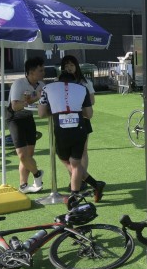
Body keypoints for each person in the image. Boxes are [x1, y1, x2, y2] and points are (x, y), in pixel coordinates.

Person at [38, 63, 93, 194]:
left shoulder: (47, 88)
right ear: (73, 80)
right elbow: (89, 114)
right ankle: (77, 194)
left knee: (67, 161)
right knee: (76, 163)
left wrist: (56, 110)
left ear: (58, 80)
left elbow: (41, 114)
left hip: (61, 131)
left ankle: (86, 188)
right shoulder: (82, 88)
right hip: (79, 129)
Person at [60, 55, 106, 201]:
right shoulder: (59, 83)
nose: (69, 67)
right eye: (66, 65)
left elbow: (92, 101)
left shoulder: (84, 82)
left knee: (82, 152)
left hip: (82, 120)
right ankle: (77, 179)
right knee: (68, 156)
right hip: (64, 122)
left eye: (71, 64)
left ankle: (80, 181)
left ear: (76, 66)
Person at [8, 56, 45, 193]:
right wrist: (35, 98)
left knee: (29, 154)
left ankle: (23, 185)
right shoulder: (19, 83)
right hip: (14, 119)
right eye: (40, 70)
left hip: (28, 118)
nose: (43, 73)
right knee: (22, 156)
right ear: (31, 72)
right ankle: (37, 174)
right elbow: (15, 106)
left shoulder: (41, 85)